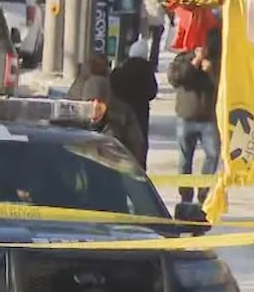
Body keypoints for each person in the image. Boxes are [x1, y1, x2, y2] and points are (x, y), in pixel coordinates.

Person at [167, 33, 221, 205]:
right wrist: (194, 64)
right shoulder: (183, 58)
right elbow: (175, 79)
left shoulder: (217, 60)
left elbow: (224, 84)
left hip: (209, 117)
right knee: (185, 158)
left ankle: (204, 192)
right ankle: (185, 195)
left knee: (212, 155)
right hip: (186, 116)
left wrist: (211, 70)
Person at [109, 40, 159, 168]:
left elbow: (113, 87)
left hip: (122, 110)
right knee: (140, 140)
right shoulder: (147, 71)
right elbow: (152, 92)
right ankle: (140, 167)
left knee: (123, 139)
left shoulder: (121, 69)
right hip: (141, 110)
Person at [80, 75, 146, 165]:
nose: (95, 106)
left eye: (100, 101)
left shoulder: (122, 119)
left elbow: (136, 149)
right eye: (91, 101)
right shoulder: (77, 124)